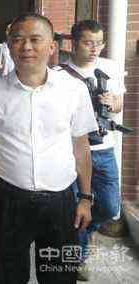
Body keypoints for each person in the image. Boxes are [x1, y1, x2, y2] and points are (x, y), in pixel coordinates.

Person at [0, 13, 98, 284]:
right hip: (8, 200)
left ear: (52, 46)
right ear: (9, 46)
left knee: (60, 276)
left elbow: (81, 147)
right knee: (7, 276)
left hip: (61, 202)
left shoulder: (73, 90)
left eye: (36, 39)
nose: (26, 47)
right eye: (18, 39)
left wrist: (85, 197)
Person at [61, 20, 126, 281]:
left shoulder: (110, 67)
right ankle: (79, 257)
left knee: (110, 206)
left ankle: (85, 232)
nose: (94, 49)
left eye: (99, 43)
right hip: (73, 151)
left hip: (104, 149)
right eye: (88, 43)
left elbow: (119, 104)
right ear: (74, 43)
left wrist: (113, 102)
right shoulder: (60, 73)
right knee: (76, 206)